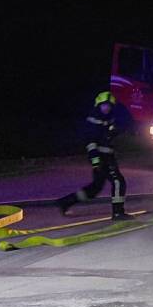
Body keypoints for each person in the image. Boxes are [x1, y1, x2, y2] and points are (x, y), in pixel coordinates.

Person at [57, 91, 131, 220]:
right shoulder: (93, 121)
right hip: (102, 159)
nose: (106, 108)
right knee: (118, 181)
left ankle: (66, 202)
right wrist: (96, 162)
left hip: (107, 157)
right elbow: (91, 144)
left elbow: (113, 134)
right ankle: (118, 213)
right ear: (98, 105)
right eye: (104, 105)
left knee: (95, 188)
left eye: (109, 106)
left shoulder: (109, 120)